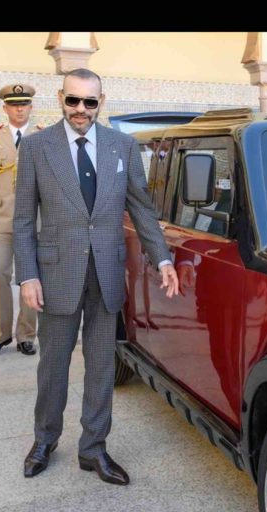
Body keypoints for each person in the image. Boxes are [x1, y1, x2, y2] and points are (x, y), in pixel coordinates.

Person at [13, 68, 179, 485]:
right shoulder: (36, 147)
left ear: (101, 102)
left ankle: (94, 449)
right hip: (56, 274)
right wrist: (27, 276)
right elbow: (21, 221)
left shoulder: (121, 146)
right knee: (53, 364)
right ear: (60, 98)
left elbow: (142, 209)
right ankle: (45, 440)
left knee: (102, 365)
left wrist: (162, 260)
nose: (81, 109)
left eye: (90, 101)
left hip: (106, 273)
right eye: (73, 100)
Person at [0, 83, 42, 358]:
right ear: (5, 108)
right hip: (1, 216)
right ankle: (0, 334)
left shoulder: (44, 137)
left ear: (30, 107)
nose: (19, 109)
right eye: (14, 104)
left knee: (31, 276)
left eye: (24, 104)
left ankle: (26, 335)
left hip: (35, 219)